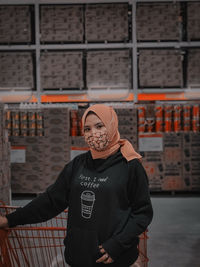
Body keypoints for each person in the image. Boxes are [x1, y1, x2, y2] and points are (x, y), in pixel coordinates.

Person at [0, 104, 153, 267]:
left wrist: (116, 245)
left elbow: (142, 213)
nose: (93, 133)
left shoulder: (130, 166)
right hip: (78, 258)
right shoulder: (78, 165)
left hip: (116, 259)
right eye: (87, 129)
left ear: (112, 125)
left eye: (99, 126)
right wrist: (10, 220)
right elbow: (51, 201)